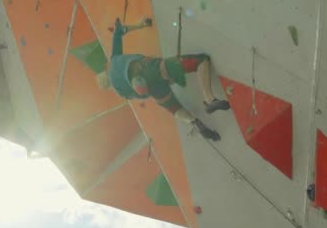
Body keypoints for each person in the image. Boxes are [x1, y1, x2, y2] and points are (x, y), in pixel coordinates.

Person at [96, 17, 230, 141]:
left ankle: (194, 121)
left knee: (172, 107)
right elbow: (118, 32)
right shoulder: (113, 60)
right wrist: (140, 25)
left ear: (109, 86)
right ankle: (210, 99)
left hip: (152, 90)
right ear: (105, 72)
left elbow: (141, 96)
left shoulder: (120, 91)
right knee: (201, 61)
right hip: (149, 68)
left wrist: (147, 90)